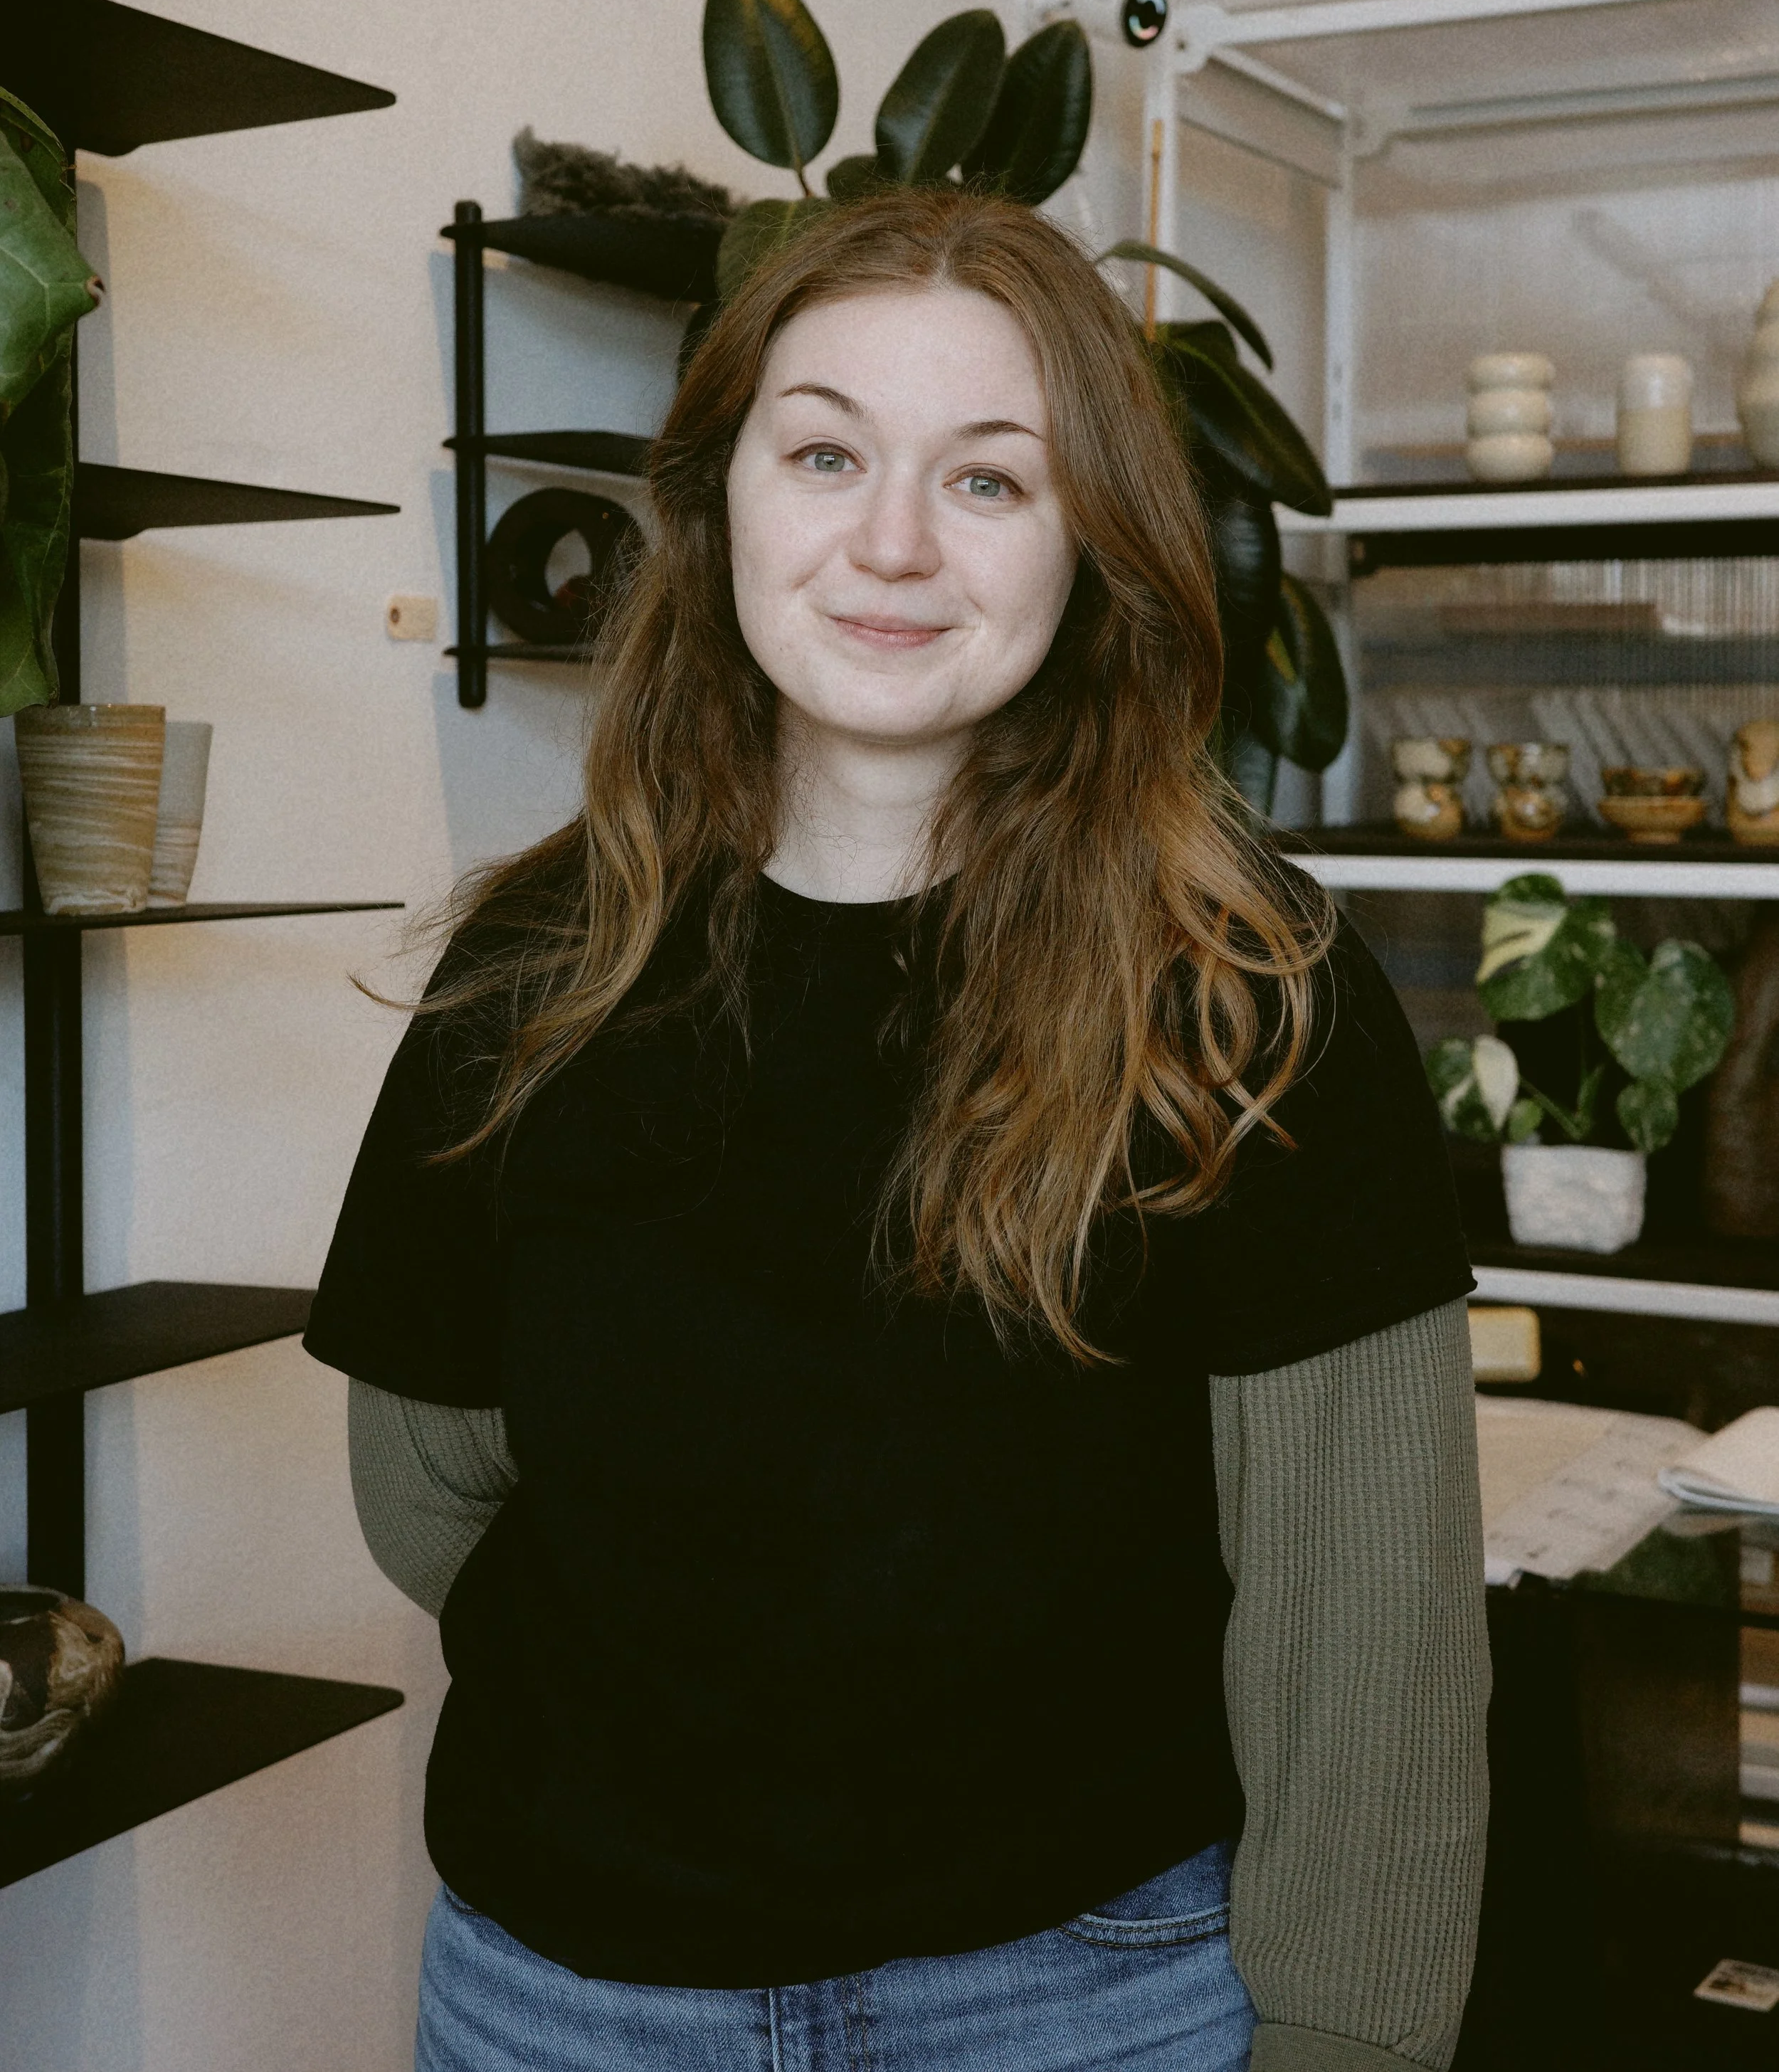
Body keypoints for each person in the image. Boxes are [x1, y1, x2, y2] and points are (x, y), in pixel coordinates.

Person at [305, 187, 1489, 2072]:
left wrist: (1350, 2034)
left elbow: (1373, 1617)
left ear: (1091, 538)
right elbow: (426, 1478)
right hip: (566, 2009)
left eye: (987, 480)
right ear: (718, 500)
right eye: (826, 451)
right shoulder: (531, 970)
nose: (887, 543)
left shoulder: (1249, 990)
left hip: (1087, 2004)